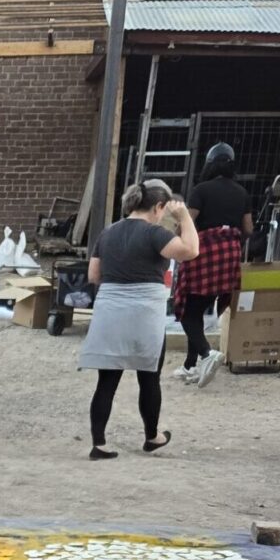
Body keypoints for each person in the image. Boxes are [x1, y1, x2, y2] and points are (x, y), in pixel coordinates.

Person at [80, 177, 199, 461]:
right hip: (145, 313)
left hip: (110, 310)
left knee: (106, 381)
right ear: (159, 206)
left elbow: (93, 276)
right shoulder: (154, 234)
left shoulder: (107, 233)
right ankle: (152, 436)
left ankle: (99, 443)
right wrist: (183, 217)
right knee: (149, 377)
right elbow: (191, 251)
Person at [174, 143, 253, 386]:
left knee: (188, 312)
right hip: (229, 256)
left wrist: (178, 237)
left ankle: (207, 355)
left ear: (209, 165)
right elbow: (248, 229)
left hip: (204, 254)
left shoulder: (201, 190)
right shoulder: (242, 193)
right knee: (198, 310)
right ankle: (189, 366)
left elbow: (188, 221)